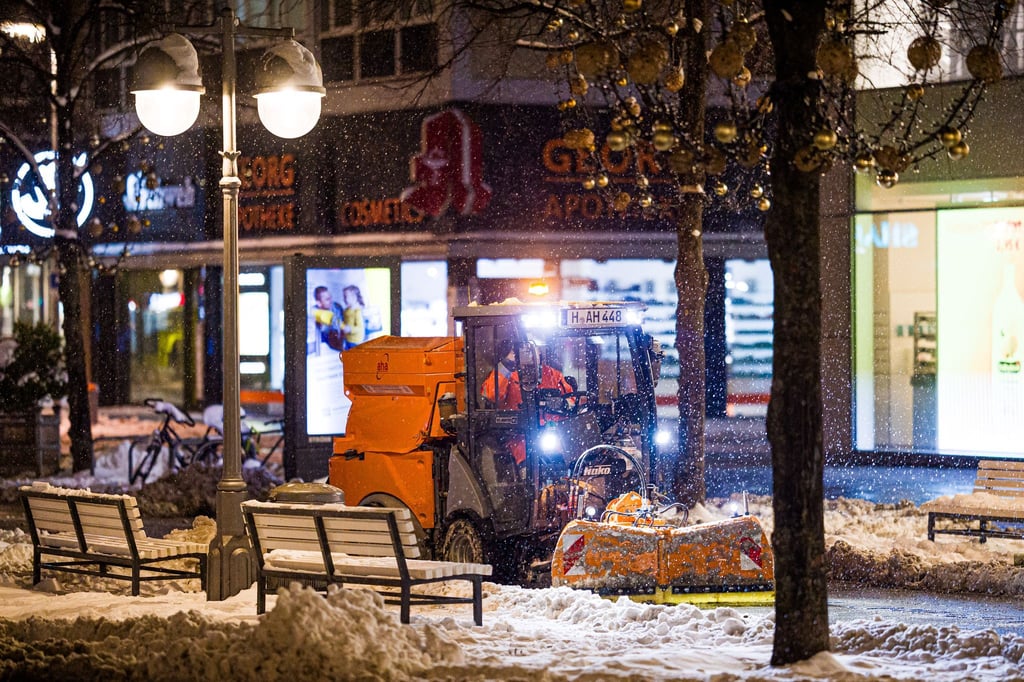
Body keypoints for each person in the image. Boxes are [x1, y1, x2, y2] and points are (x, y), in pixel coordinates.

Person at [482, 340, 573, 466]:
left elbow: (571, 400)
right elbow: (492, 395)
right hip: (519, 436)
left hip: (551, 438)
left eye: (533, 348)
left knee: (568, 462)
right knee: (528, 463)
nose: (529, 353)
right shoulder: (508, 375)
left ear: (539, 352)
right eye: (525, 349)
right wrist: (507, 363)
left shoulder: (553, 375)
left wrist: (562, 404)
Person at [312, 286, 346, 351]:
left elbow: (343, 327)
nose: (331, 301)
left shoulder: (337, 307)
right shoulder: (315, 313)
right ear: (319, 303)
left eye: (331, 297)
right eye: (327, 299)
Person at [340, 284, 366, 349]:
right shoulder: (346, 310)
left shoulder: (357, 311)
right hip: (348, 338)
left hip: (355, 341)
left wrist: (350, 329)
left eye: (346, 296)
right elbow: (345, 321)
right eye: (344, 296)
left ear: (354, 297)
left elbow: (360, 327)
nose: (344, 299)